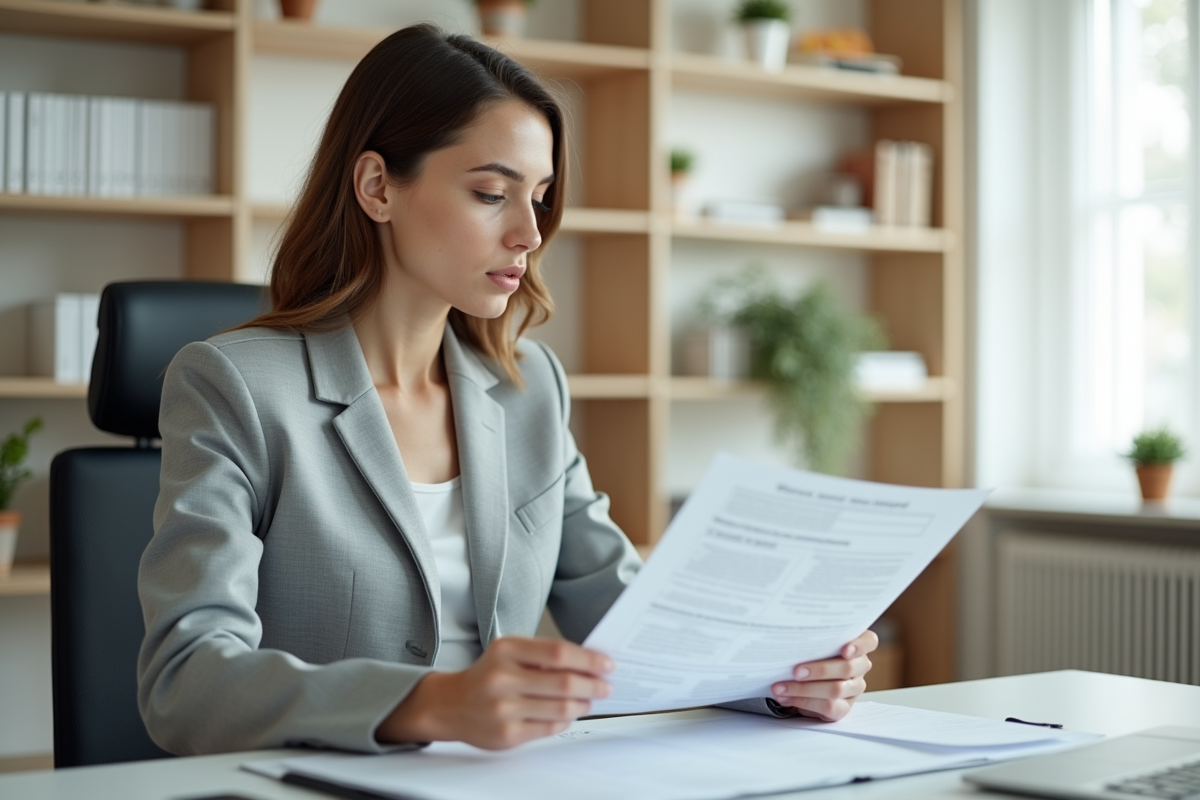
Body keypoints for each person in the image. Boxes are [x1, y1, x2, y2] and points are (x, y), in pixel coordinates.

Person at [136, 23, 878, 757]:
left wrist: (782, 678)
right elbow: (186, 680)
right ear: (376, 187)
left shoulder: (530, 389)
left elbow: (630, 621)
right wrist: (429, 703)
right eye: (492, 193)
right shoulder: (234, 384)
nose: (530, 232)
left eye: (542, 196)